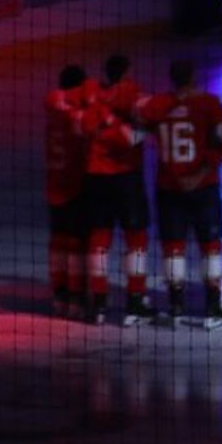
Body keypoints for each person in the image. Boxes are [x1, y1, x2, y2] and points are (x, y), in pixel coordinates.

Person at [136, 59, 222, 325]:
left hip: (169, 188)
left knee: (173, 248)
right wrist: (204, 169)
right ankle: (213, 308)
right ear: (193, 76)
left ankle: (176, 307)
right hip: (203, 187)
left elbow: (138, 118)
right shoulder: (209, 103)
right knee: (211, 247)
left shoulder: (158, 104)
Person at [77, 53, 149, 324]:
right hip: (126, 178)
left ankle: (98, 303)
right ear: (128, 71)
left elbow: (82, 127)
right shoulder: (133, 93)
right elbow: (142, 128)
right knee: (136, 240)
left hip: (96, 178)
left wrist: (106, 124)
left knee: (99, 241)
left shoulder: (93, 96)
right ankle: (135, 301)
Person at [44, 64, 88, 317]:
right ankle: (76, 298)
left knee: (57, 243)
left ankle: (59, 294)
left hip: (53, 185)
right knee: (75, 244)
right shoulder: (77, 115)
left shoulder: (53, 111)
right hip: (75, 187)